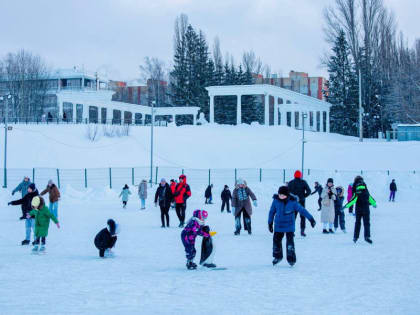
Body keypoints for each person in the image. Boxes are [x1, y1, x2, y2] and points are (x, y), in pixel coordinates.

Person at [268, 186, 316, 266]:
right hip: (278, 225)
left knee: (290, 243)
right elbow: (271, 212)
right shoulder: (276, 201)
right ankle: (278, 256)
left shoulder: (293, 202)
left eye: (283, 195)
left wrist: (311, 219)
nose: (281, 196)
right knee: (276, 242)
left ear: (287, 195)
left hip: (289, 225)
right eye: (280, 194)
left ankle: (291, 259)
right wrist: (270, 223)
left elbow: (302, 210)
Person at [343, 176, 377, 244]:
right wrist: (374, 204)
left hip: (358, 209)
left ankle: (355, 237)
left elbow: (352, 200)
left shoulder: (356, 191)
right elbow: (370, 198)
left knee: (357, 223)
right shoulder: (365, 189)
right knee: (366, 223)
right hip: (366, 208)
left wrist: (345, 206)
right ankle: (367, 236)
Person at [287, 170, 312, 237]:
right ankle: (302, 231)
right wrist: (304, 196)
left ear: (294, 175)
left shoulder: (290, 182)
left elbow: (287, 192)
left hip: (293, 202)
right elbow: (309, 191)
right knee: (303, 216)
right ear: (300, 175)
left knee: (293, 217)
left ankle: (291, 231)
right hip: (301, 202)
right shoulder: (303, 182)